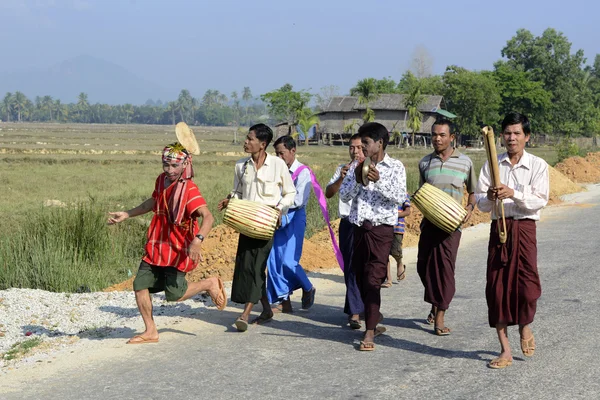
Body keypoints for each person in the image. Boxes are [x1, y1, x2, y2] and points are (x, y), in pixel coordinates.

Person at [107, 142, 226, 344]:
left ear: (184, 165)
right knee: (139, 285)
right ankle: (151, 330)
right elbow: (153, 202)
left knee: (175, 294)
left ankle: (209, 283)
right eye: (166, 165)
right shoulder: (161, 180)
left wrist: (198, 241)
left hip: (178, 247)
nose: (169, 170)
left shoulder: (189, 189)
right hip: (157, 243)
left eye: (174, 166)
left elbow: (208, 217)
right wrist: (127, 214)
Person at [476, 112, 549, 369]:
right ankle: (504, 349)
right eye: (507, 133)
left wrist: (513, 193)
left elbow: (540, 199)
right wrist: (491, 195)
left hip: (525, 229)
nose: (511, 138)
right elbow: (481, 204)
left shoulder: (538, 165)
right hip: (500, 229)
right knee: (497, 289)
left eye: (517, 133)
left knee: (527, 288)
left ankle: (525, 325)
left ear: (526, 137)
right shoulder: (491, 165)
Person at [217, 124, 296, 332]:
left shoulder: (278, 165)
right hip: (246, 223)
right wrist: (230, 200)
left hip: (267, 223)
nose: (246, 142)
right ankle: (267, 309)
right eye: (247, 138)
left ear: (262, 144)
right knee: (246, 265)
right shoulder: (240, 166)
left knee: (257, 265)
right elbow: (238, 193)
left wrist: (280, 210)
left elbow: (290, 193)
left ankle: (245, 314)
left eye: (250, 139)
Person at [339, 122, 407, 350]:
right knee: (359, 277)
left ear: (380, 143)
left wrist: (378, 181)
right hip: (359, 228)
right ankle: (374, 320)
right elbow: (344, 195)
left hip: (382, 230)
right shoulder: (357, 165)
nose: (363, 147)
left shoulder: (395, 167)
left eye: (366, 143)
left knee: (373, 279)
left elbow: (399, 197)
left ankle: (369, 331)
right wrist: (359, 178)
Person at [416, 117, 477, 336]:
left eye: (442, 135)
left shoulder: (465, 162)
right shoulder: (425, 163)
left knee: (444, 270)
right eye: (434, 134)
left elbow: (472, 192)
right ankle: (435, 303)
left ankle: (440, 316)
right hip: (429, 223)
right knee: (423, 267)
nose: (437, 138)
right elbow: (422, 193)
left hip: (452, 226)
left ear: (452, 138)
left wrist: (469, 208)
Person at [266, 135, 316, 313]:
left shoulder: (303, 172)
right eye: (276, 154)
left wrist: (279, 204)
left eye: (282, 153)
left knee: (289, 260)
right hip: (277, 216)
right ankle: (282, 301)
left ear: (292, 151)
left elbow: (298, 200)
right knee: (274, 260)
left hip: (294, 216)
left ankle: (307, 286)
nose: (279, 158)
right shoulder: (275, 170)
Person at [325, 133, 365, 329]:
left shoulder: (372, 168)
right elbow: (329, 193)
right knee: (350, 266)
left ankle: (362, 306)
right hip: (348, 222)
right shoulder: (342, 169)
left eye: (359, 147)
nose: (355, 151)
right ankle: (355, 312)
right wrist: (341, 178)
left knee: (367, 267)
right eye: (352, 147)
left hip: (367, 224)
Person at [382, 197, 412, 288]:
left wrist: (394, 216)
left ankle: (399, 263)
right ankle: (388, 279)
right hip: (383, 226)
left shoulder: (403, 193)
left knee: (395, 251)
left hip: (397, 227)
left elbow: (407, 211)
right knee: (384, 253)